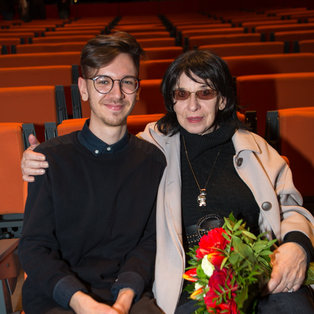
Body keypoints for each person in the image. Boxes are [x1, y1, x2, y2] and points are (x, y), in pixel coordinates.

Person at [21, 50, 314, 313]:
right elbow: (105, 153)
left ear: (223, 99)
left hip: (264, 276)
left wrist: (297, 246)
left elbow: (291, 209)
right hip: (189, 285)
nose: (193, 106)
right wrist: (39, 157)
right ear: (172, 101)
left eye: (206, 93)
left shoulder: (257, 150)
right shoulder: (151, 149)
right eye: (182, 95)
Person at [18, 32, 166, 314]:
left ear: (138, 90)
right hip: (58, 296)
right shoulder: (49, 159)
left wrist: (122, 302)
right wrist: (81, 302)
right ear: (83, 89)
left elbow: (149, 244)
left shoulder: (152, 162)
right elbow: (34, 248)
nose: (116, 93)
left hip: (127, 295)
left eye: (127, 82)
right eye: (103, 82)